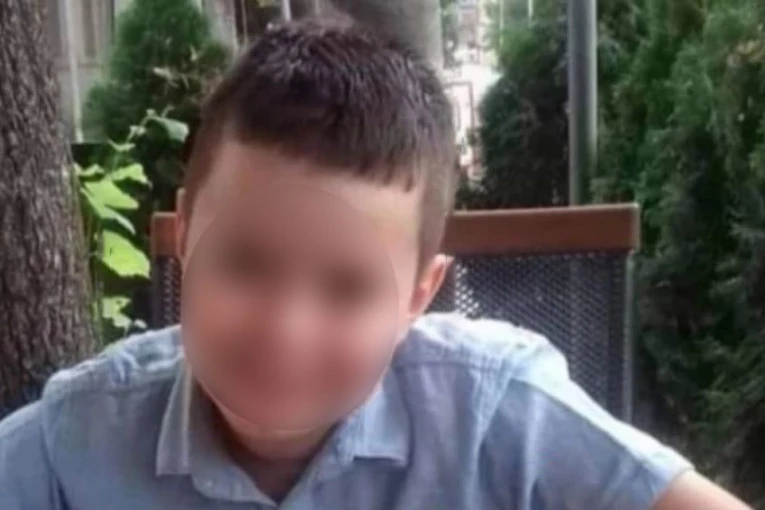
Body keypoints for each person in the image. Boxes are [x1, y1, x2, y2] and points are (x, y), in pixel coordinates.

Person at [0, 20, 750, 510]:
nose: (286, 328)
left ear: (418, 298)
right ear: (187, 238)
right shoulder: (78, 441)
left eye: (349, 287)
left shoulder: (496, 412)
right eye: (246, 263)